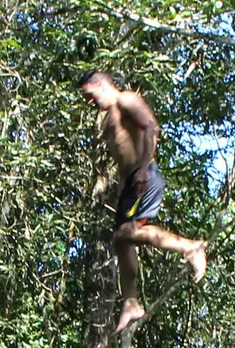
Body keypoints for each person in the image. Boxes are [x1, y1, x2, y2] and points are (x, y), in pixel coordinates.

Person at [79, 70, 207, 333]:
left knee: (129, 233)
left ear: (101, 85)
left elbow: (151, 127)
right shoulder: (109, 116)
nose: (89, 102)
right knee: (121, 238)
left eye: (89, 95)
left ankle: (190, 247)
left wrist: (144, 167)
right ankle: (130, 302)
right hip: (130, 185)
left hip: (144, 176)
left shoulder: (126, 100)